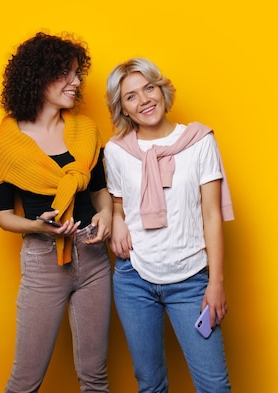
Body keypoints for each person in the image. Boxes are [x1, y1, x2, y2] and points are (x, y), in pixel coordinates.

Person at [0, 32, 112, 393]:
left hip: (93, 257)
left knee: (95, 377)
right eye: (66, 74)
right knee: (25, 380)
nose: (76, 82)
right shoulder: (7, 142)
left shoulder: (86, 130)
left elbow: (100, 192)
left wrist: (105, 217)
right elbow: (3, 215)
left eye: (78, 74)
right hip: (43, 262)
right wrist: (37, 226)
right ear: (38, 76)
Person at [103, 57, 234, 393]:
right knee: (150, 384)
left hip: (191, 280)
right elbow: (118, 204)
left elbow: (211, 214)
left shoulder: (199, 140)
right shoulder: (117, 151)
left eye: (148, 87)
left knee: (214, 386)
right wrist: (117, 220)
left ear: (161, 90)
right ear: (124, 109)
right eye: (131, 96)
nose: (144, 99)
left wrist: (215, 283)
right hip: (134, 280)